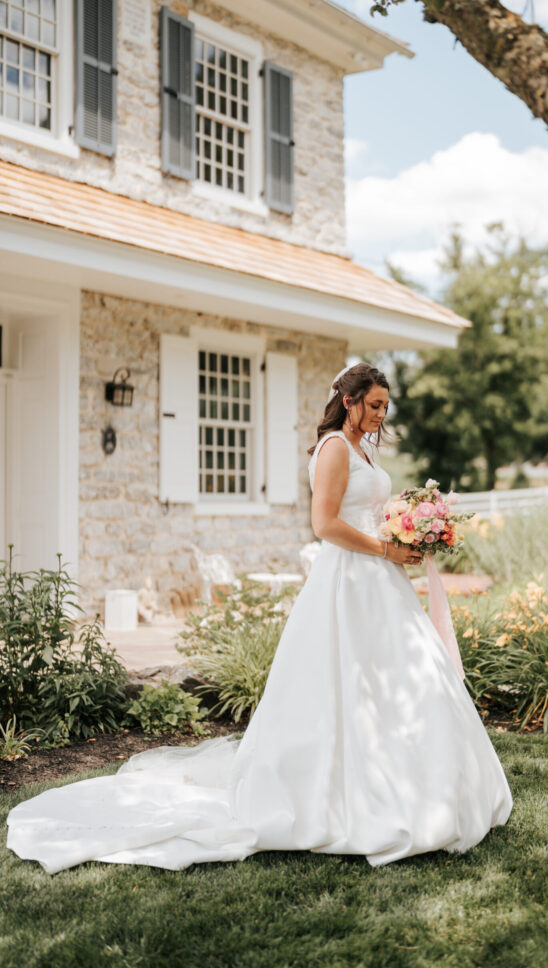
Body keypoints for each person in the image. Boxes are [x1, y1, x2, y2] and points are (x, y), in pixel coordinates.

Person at [6, 362, 513, 874]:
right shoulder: (336, 446)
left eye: (386, 406)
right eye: (375, 405)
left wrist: (408, 526)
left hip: (382, 582)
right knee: (345, 680)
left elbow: (363, 508)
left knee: (403, 678)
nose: (382, 415)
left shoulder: (364, 448)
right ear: (350, 400)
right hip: (352, 581)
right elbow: (324, 524)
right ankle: (345, 799)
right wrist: (385, 547)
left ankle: (428, 786)